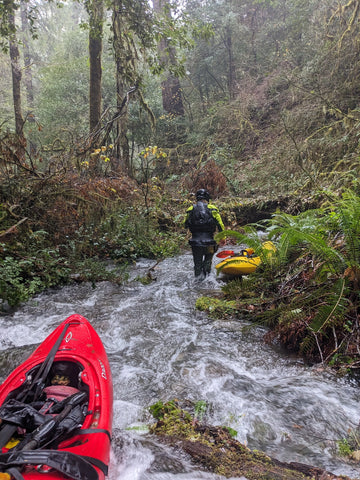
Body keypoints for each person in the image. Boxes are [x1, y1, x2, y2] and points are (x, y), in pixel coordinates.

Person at [184, 189, 225, 280]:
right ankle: (208, 281)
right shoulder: (212, 208)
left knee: (197, 264)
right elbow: (220, 225)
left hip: (195, 242)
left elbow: (185, 224)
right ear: (207, 198)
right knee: (207, 262)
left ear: (197, 198)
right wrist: (223, 237)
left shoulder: (190, 209)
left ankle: (198, 283)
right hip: (209, 241)